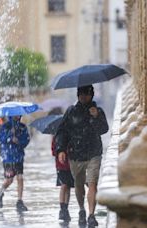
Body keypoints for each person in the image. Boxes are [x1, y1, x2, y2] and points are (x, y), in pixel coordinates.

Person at [55, 85, 109, 227]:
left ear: (91, 95)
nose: (83, 96)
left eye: (86, 94)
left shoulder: (98, 111)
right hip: (76, 155)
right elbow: (62, 132)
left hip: (94, 153)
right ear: (77, 95)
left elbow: (104, 129)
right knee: (79, 186)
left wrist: (96, 116)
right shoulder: (71, 112)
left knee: (92, 183)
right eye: (80, 94)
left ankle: (91, 215)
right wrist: (60, 149)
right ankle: (81, 209)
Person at [0, 115, 30, 212]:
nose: (17, 116)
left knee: (20, 177)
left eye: (18, 114)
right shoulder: (5, 126)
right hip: (8, 157)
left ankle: (19, 201)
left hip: (19, 157)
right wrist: (10, 136)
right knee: (9, 180)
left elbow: (26, 140)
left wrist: (19, 141)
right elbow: (0, 138)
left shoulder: (22, 127)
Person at [51, 137, 74, 222]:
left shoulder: (71, 133)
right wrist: (61, 151)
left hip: (71, 164)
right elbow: (53, 151)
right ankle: (62, 208)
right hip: (61, 165)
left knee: (68, 186)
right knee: (64, 185)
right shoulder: (57, 136)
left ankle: (66, 208)